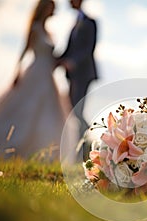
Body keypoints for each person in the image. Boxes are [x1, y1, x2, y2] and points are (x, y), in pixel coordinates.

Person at [0, 0, 68, 159]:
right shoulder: (35, 29)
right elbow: (24, 50)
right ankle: (8, 146)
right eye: (52, 8)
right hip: (35, 72)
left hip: (48, 77)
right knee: (24, 109)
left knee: (47, 113)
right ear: (45, 8)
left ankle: (38, 153)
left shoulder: (50, 33)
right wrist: (16, 73)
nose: (55, 11)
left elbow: (52, 59)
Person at [58, 0, 98, 143]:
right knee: (72, 110)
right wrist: (55, 60)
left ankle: (91, 141)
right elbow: (69, 49)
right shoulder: (74, 23)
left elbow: (88, 48)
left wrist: (73, 62)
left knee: (76, 110)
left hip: (83, 74)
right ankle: (81, 143)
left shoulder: (90, 22)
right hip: (72, 75)